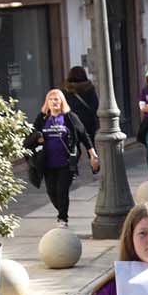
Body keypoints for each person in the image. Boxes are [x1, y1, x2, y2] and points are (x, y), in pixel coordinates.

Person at [32, 89, 99, 226]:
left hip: (66, 163)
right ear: (47, 103)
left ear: (62, 102)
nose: (54, 102)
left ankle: (62, 218)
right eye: (51, 99)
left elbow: (83, 135)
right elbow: (32, 134)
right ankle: (62, 211)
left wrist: (92, 154)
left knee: (62, 191)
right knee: (52, 192)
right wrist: (37, 138)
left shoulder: (70, 117)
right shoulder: (42, 118)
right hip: (47, 163)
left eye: (57, 99)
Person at [63, 66, 100, 143]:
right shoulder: (89, 89)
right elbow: (95, 106)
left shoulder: (66, 91)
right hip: (88, 123)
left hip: (73, 122)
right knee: (90, 143)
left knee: (74, 144)